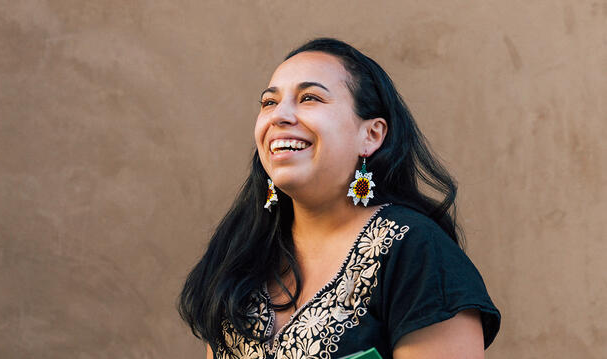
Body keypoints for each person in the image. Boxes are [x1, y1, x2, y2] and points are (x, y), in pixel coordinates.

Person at [178, 37, 501, 359]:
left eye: (310, 98)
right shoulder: (239, 256)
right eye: (269, 103)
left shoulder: (415, 250)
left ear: (371, 135)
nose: (280, 116)